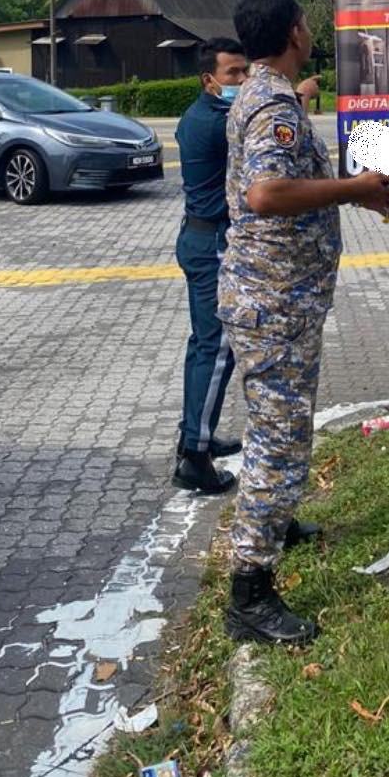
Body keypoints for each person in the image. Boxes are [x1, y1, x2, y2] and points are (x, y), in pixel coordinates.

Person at [220, 0, 389, 646]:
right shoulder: (270, 103)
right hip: (274, 305)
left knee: (278, 426)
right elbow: (267, 192)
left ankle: (278, 523)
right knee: (278, 440)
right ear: (296, 31)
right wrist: (355, 190)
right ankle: (250, 594)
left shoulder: (265, 93)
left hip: (275, 302)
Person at [171, 38, 250, 496]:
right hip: (211, 243)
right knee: (217, 347)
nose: (242, 82)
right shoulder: (215, 123)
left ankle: (195, 434)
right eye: (233, 75)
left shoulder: (197, 113)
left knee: (203, 344)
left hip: (198, 237)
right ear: (209, 81)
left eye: (245, 72)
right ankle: (194, 458)